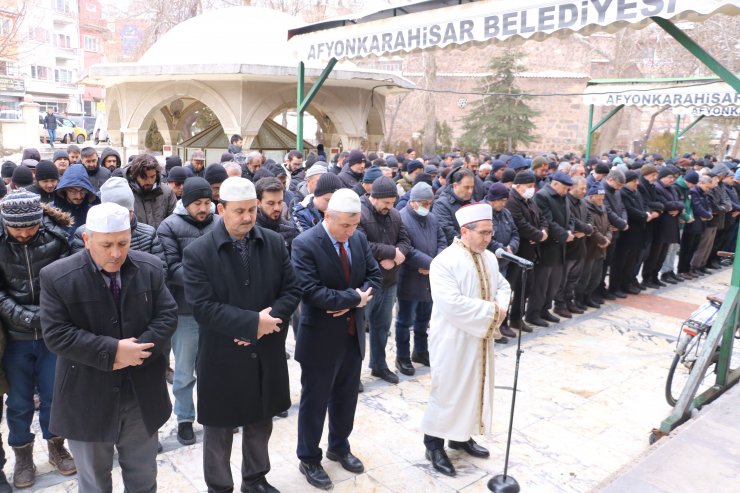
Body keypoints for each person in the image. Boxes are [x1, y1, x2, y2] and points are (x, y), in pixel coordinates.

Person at [40, 202, 177, 493]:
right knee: (93, 482)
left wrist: (137, 350)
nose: (116, 253)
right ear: (87, 240)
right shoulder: (57, 277)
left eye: (123, 243)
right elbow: (56, 334)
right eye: (106, 245)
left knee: (143, 477)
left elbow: (167, 315)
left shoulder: (149, 267)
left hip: (140, 396)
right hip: (87, 397)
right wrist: (112, 351)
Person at [183, 177, 300, 493]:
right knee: (220, 429)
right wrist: (250, 323)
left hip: (265, 350)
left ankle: (255, 479)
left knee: (261, 421)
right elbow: (203, 308)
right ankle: (219, 487)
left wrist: (265, 324)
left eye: (252, 209)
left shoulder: (273, 243)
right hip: (222, 355)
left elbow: (291, 290)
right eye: (239, 211)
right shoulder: (198, 252)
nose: (248, 217)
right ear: (221, 210)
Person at [291, 188, 382, 490]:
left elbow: (374, 276)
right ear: (327, 216)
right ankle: (309, 457)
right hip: (320, 340)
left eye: (355, 225)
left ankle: (339, 446)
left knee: (346, 398)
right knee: (314, 402)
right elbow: (309, 290)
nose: (350, 231)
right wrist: (353, 298)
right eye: (344, 225)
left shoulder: (357, 238)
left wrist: (351, 301)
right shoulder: (305, 243)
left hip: (352, 336)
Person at [421, 203, 510, 477]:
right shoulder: (444, 262)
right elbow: (452, 304)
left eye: (490, 232)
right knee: (447, 391)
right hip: (452, 340)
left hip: (480, 338)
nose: (487, 238)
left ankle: (461, 436)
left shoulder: (490, 258)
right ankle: (433, 444)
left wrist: (501, 306)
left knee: (474, 388)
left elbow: (504, 287)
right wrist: (495, 311)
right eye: (482, 233)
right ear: (464, 231)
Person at [0, 191, 76, 488]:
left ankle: (57, 446)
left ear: (39, 222)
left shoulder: (57, 238)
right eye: (16, 229)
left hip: (52, 333)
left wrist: (47, 315)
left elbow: (67, 280)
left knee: (54, 395)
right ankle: (22, 455)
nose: (23, 234)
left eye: (30, 228)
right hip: (14, 337)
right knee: (18, 401)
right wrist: (25, 316)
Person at [157, 177, 221, 446]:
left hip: (218, 310)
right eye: (198, 203)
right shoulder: (169, 226)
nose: (204, 208)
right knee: (184, 371)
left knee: (215, 368)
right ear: (186, 203)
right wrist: (209, 280)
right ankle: (185, 418)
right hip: (185, 310)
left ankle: (215, 412)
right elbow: (171, 268)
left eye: (207, 202)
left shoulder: (219, 223)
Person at [358, 177, 412, 384]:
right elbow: (362, 244)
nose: (390, 207)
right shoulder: (360, 214)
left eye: (392, 203)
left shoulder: (395, 214)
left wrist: (397, 257)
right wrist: (391, 253)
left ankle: (379, 366)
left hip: (390, 281)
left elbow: (405, 241)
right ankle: (354, 373)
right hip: (367, 283)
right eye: (386, 203)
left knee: (382, 327)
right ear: (374, 198)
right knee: (359, 331)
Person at [395, 182, 446, 373]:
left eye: (429, 203)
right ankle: (402, 357)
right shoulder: (401, 219)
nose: (427, 207)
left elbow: (442, 240)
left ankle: (420, 351)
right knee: (404, 320)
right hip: (410, 278)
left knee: (424, 319)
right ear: (413, 202)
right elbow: (407, 249)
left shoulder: (432, 218)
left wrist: (435, 264)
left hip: (429, 279)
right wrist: (431, 264)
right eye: (424, 203)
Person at [72, 177, 167, 274]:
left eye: (127, 212)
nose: (123, 218)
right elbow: (80, 272)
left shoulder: (148, 234)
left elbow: (160, 270)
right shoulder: (86, 233)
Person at [526, 172, 575, 326]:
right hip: (547, 247)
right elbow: (547, 221)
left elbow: (571, 217)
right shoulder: (542, 196)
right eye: (564, 188)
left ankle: (545, 309)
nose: (566, 191)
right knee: (541, 283)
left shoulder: (563, 196)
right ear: (555, 184)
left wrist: (570, 231)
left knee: (553, 282)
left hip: (560, 247)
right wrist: (563, 234)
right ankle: (533, 313)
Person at [505, 171, 546, 332]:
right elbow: (519, 224)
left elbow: (542, 218)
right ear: (519, 185)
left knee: (525, 287)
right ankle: (503, 322)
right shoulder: (512, 200)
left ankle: (517, 318)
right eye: (529, 186)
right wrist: (538, 235)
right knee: (510, 288)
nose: (532, 189)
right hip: (517, 252)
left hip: (531, 251)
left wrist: (542, 233)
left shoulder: (529, 200)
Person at [553, 176, 593, 316]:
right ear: (573, 188)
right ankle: (560, 304)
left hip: (581, 246)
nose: (584, 191)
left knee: (574, 279)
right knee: (563, 279)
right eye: (582, 188)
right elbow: (572, 220)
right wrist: (586, 229)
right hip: (569, 247)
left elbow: (589, 218)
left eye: (585, 188)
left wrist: (587, 229)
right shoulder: (566, 201)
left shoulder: (582, 202)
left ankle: (569, 301)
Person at [485, 183, 519, 341]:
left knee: (501, 297)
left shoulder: (505, 213)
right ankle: (488, 330)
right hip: (489, 263)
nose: (504, 204)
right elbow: (486, 237)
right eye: (502, 200)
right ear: (493, 199)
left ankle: (498, 327)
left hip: (504, 263)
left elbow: (514, 232)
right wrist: (501, 248)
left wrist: (512, 246)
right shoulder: (485, 213)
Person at [576, 183, 612, 308]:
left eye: (603, 198)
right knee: (584, 277)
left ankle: (588, 297)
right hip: (589, 248)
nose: (602, 200)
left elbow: (608, 226)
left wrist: (607, 238)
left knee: (595, 277)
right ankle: (579, 299)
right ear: (591, 197)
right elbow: (592, 228)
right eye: (599, 198)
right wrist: (602, 240)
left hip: (601, 248)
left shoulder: (603, 208)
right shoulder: (586, 207)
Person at [126, 154, 177, 229]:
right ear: (135, 176)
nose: (149, 181)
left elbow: (174, 223)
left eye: (152, 177)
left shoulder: (167, 192)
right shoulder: (127, 194)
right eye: (144, 177)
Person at [255, 177, 299, 254]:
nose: (277, 208)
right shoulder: (249, 232)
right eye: (271, 203)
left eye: (280, 202)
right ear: (258, 203)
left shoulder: (290, 230)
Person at [435, 167, 475, 245]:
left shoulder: (472, 202)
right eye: (466, 187)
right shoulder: (441, 204)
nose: (470, 191)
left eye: (472, 187)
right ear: (455, 186)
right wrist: (473, 242)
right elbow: (449, 234)